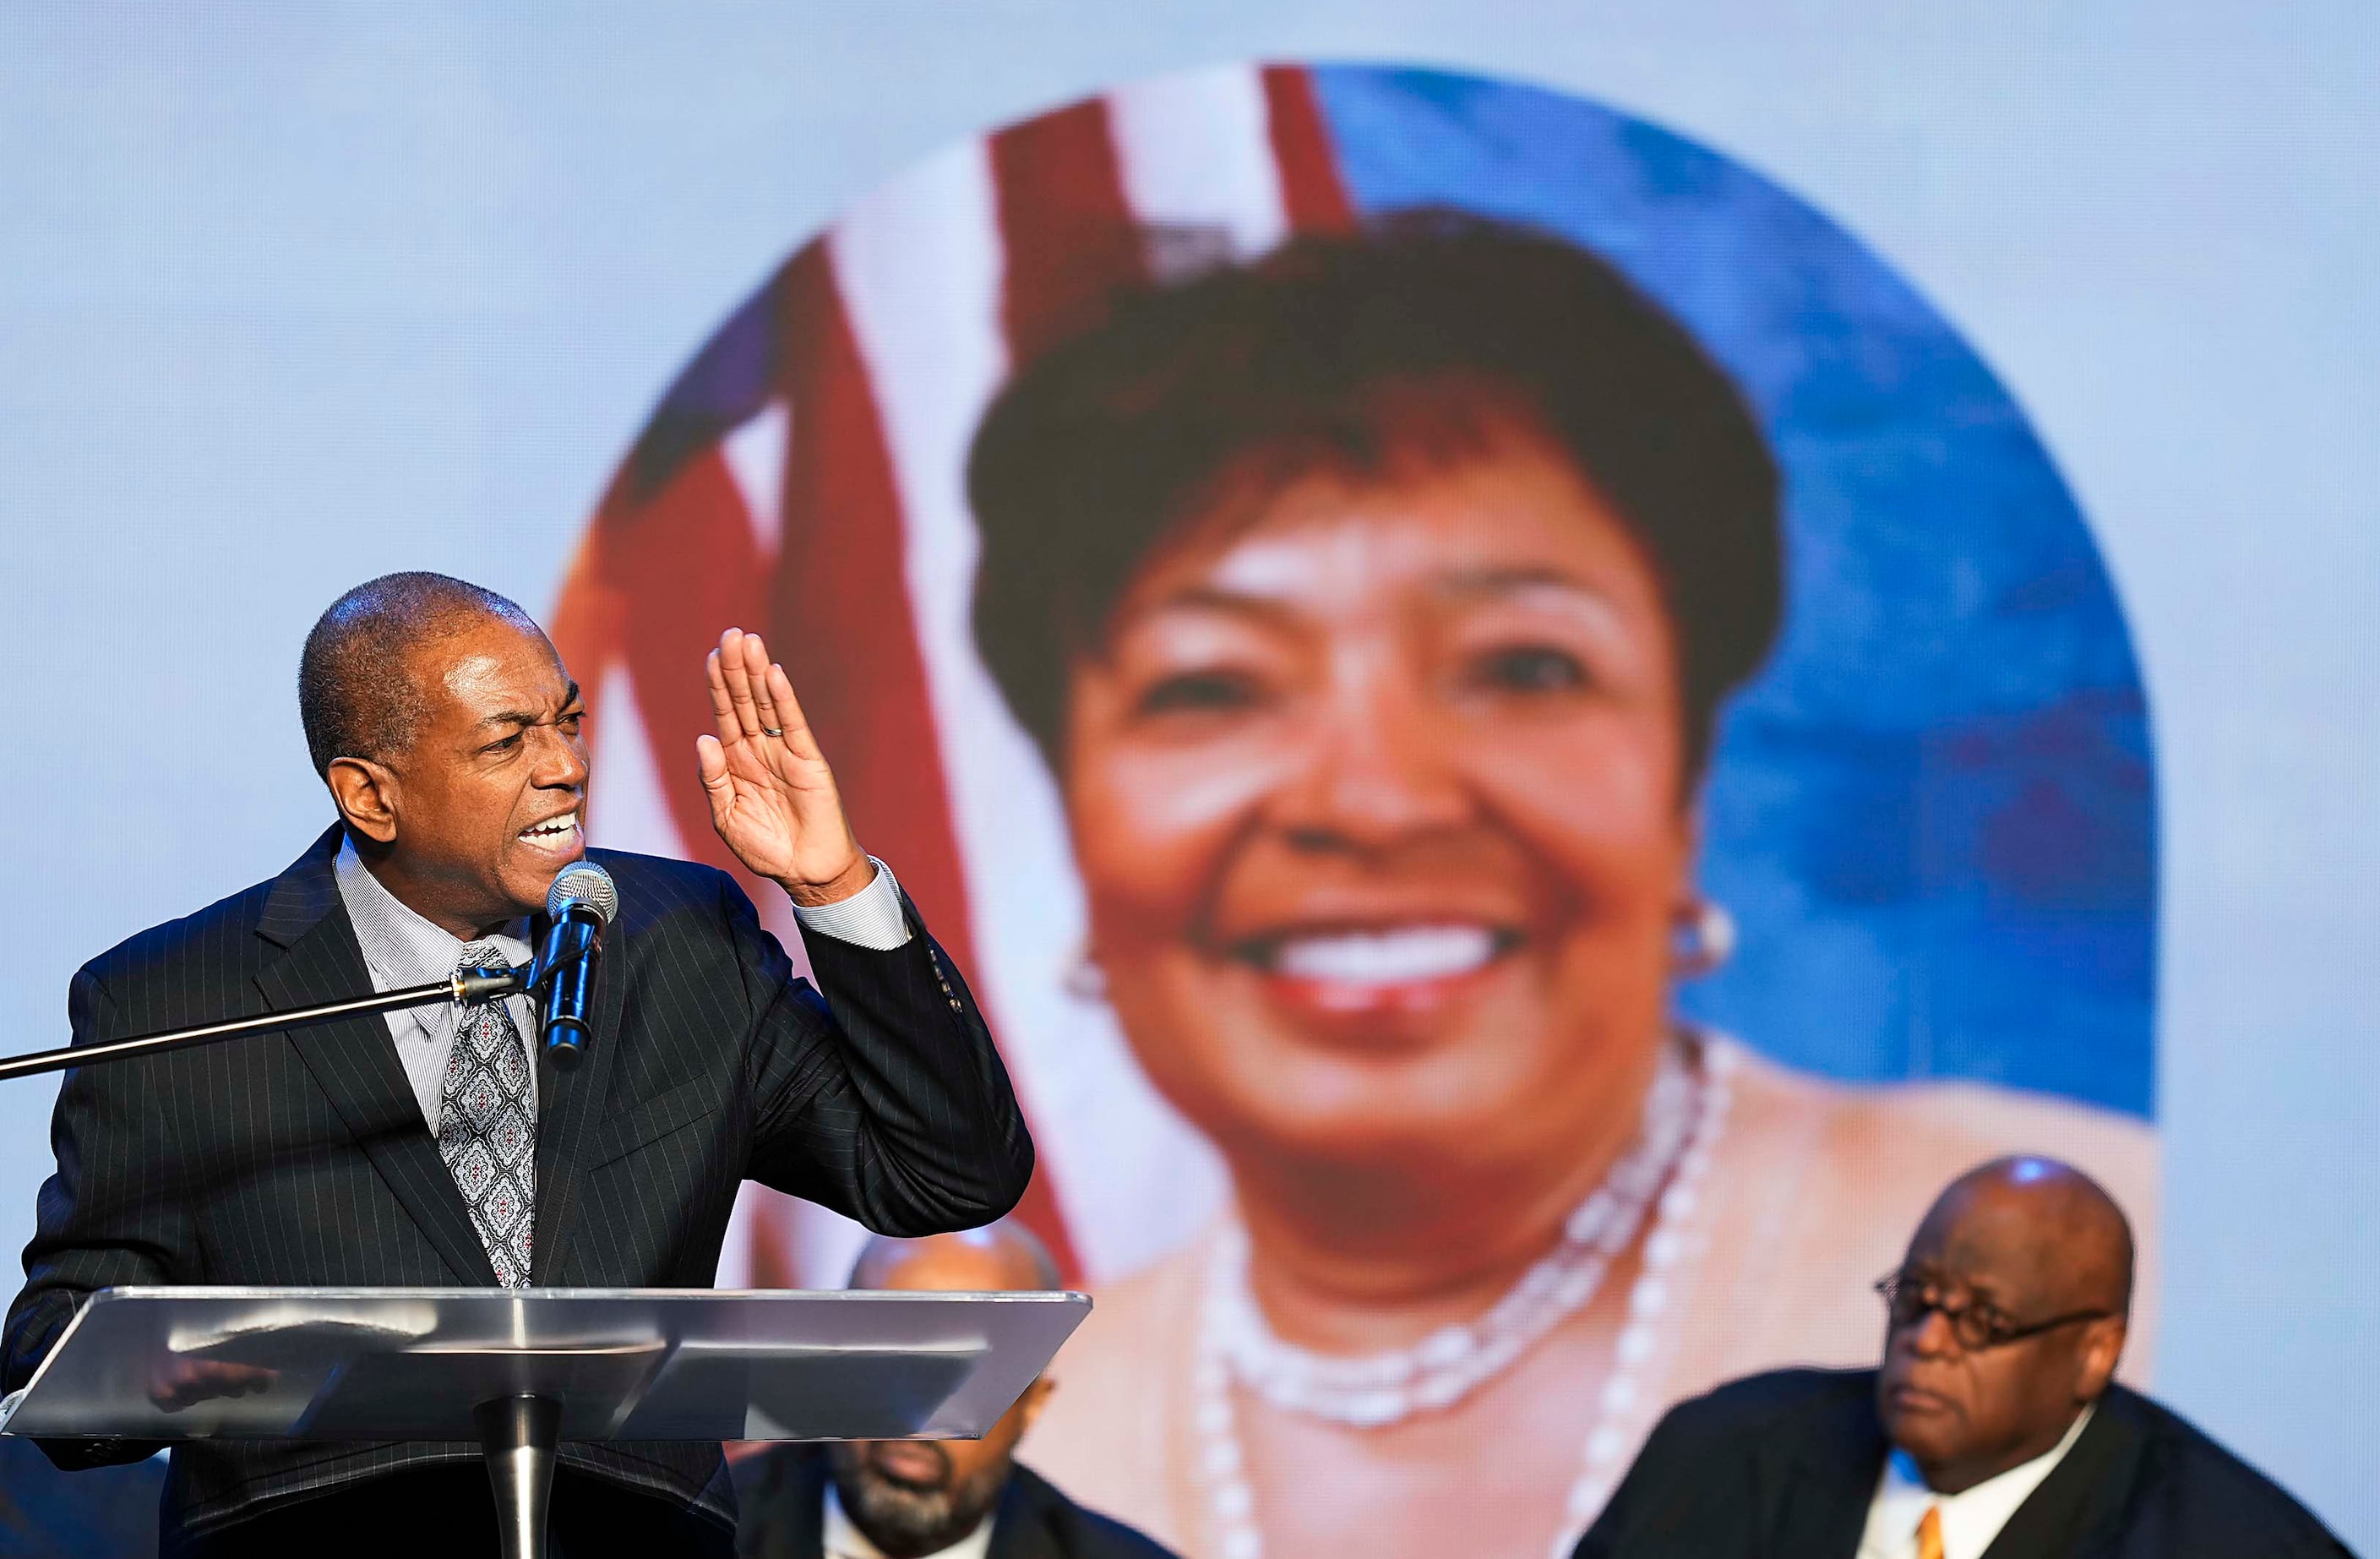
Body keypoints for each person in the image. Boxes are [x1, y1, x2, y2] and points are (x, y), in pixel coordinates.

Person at [961, 215, 2160, 1559]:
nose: (1373, 798)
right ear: (1074, 806)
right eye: (1213, 685)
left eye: (1523, 667)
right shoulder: (962, 1456)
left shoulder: (2120, 1282)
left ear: (1685, 778)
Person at [2, 573, 1036, 1557]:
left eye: (567, 721)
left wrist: (833, 885)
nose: (566, 767)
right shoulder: (174, 997)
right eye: (509, 739)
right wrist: (210, 1363)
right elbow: (61, 1344)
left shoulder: (681, 941)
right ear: (370, 796)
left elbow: (946, 1173)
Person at [1574, 1156, 2349, 1557]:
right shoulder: (1722, 1455)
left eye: (1983, 1320)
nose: (1929, 1341)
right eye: (1916, 1296)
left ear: (2093, 1354)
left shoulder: (2231, 1544)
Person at [734, 1224, 1177, 1559]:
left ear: (1031, 1404)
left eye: (966, 1377)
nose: (915, 1414)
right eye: (889, 1360)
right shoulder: (688, 1533)